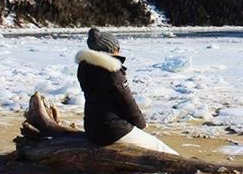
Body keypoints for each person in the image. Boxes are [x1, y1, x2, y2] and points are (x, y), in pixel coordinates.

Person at [75, 27, 178, 155]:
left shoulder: (84, 67)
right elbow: (127, 101)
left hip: (92, 127)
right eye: (118, 48)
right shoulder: (112, 71)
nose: (119, 51)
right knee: (158, 147)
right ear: (112, 50)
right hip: (113, 129)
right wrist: (140, 124)